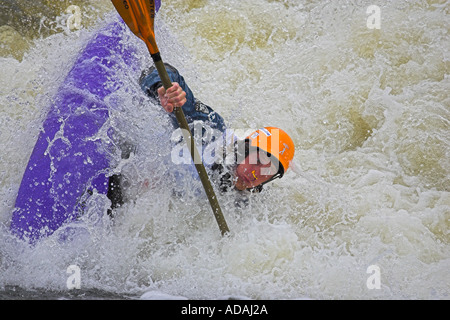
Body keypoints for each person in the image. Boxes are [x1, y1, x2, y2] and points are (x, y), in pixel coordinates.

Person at [107, 64, 295, 212]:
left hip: (143, 201)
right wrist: (166, 88)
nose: (255, 174)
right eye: (257, 160)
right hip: (120, 160)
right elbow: (162, 71)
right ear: (244, 150)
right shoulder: (211, 131)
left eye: (267, 171)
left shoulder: (245, 204)